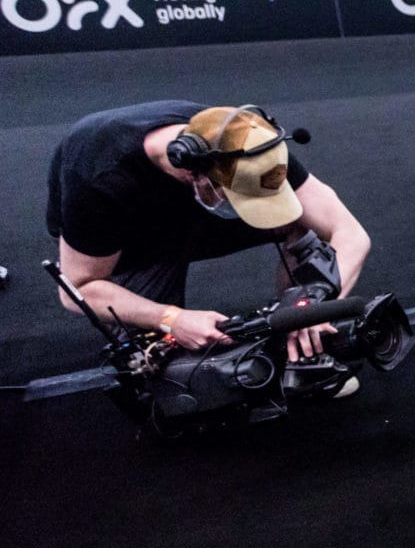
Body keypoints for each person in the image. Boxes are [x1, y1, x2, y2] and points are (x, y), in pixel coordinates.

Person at [46, 102, 371, 393]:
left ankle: (299, 345)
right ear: (194, 174)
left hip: (199, 215)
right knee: (170, 377)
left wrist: (309, 308)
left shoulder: (246, 141)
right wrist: (172, 318)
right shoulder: (99, 178)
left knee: (303, 221)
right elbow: (78, 287)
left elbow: (351, 233)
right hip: (132, 239)